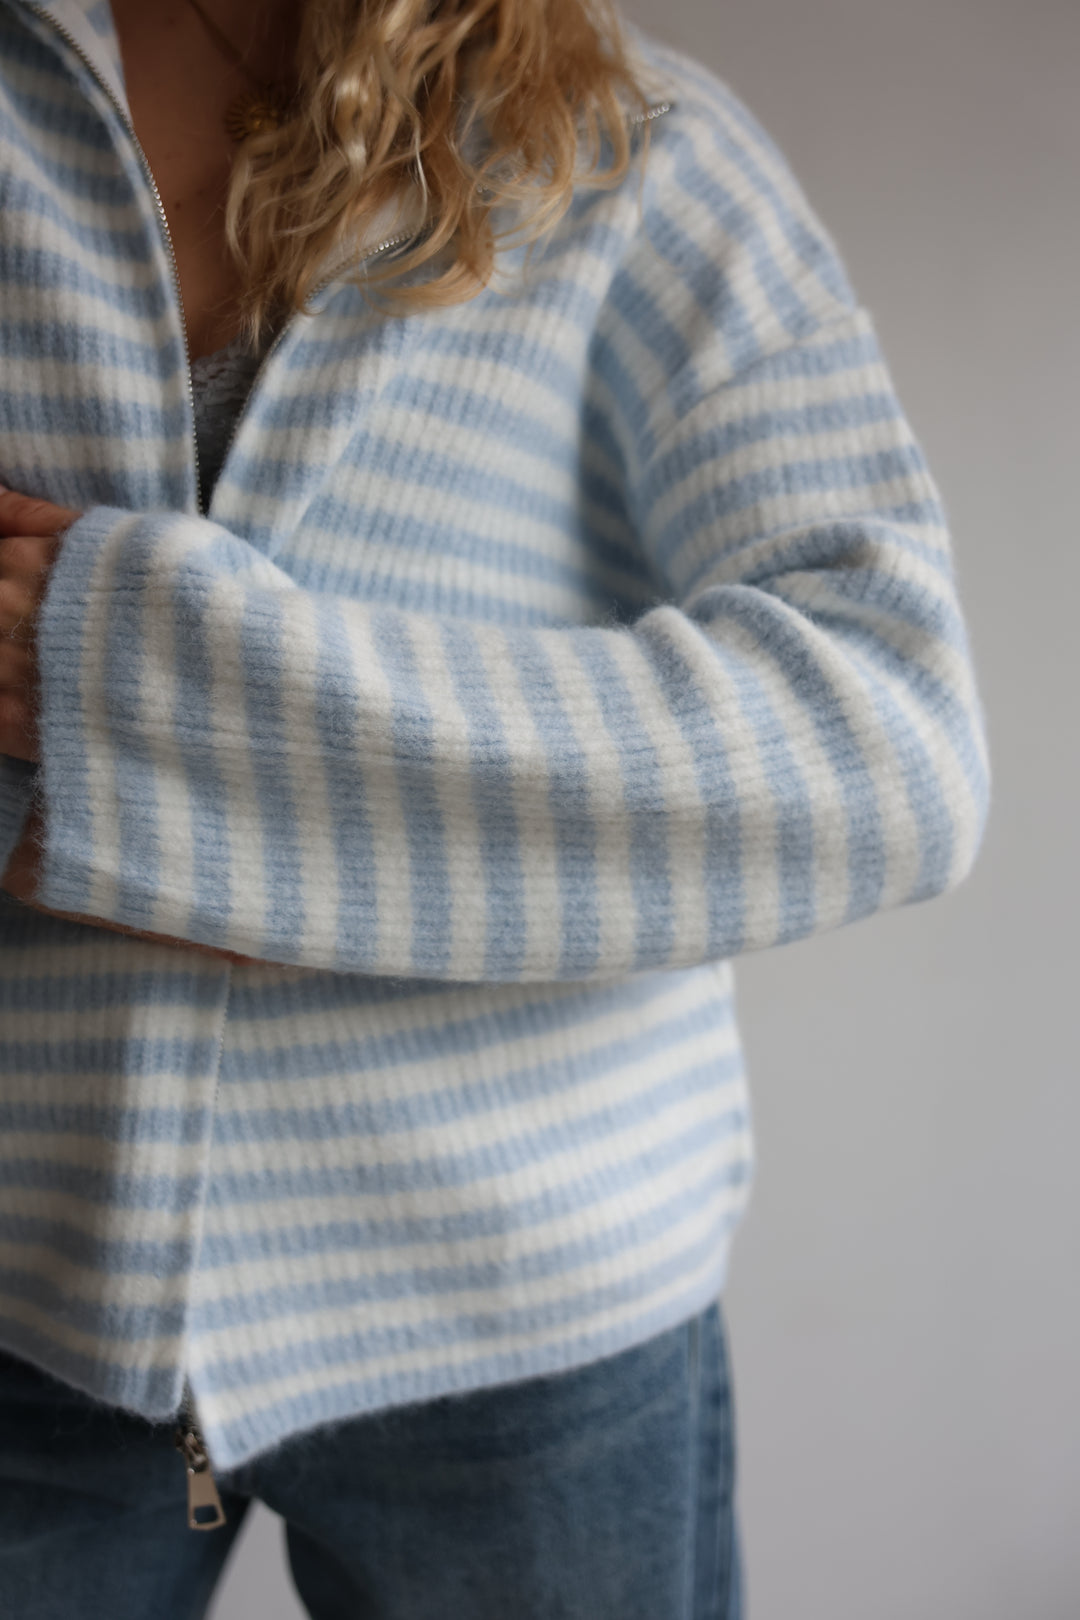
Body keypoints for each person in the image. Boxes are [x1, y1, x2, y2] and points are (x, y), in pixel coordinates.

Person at [0, 1, 990, 1615]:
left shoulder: (634, 147)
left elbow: (893, 740)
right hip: (30, 1286)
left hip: (530, 1319)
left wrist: (205, 745)